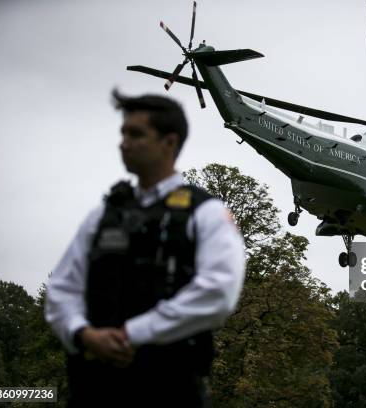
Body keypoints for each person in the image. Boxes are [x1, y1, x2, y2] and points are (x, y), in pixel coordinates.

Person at [45, 90, 246, 407]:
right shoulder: (103, 215)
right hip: (93, 388)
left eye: (136, 133)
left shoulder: (205, 213)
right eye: (122, 133)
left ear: (169, 142)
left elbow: (219, 291)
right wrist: (83, 334)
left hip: (169, 388)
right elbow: (62, 288)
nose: (123, 142)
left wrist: (132, 334)